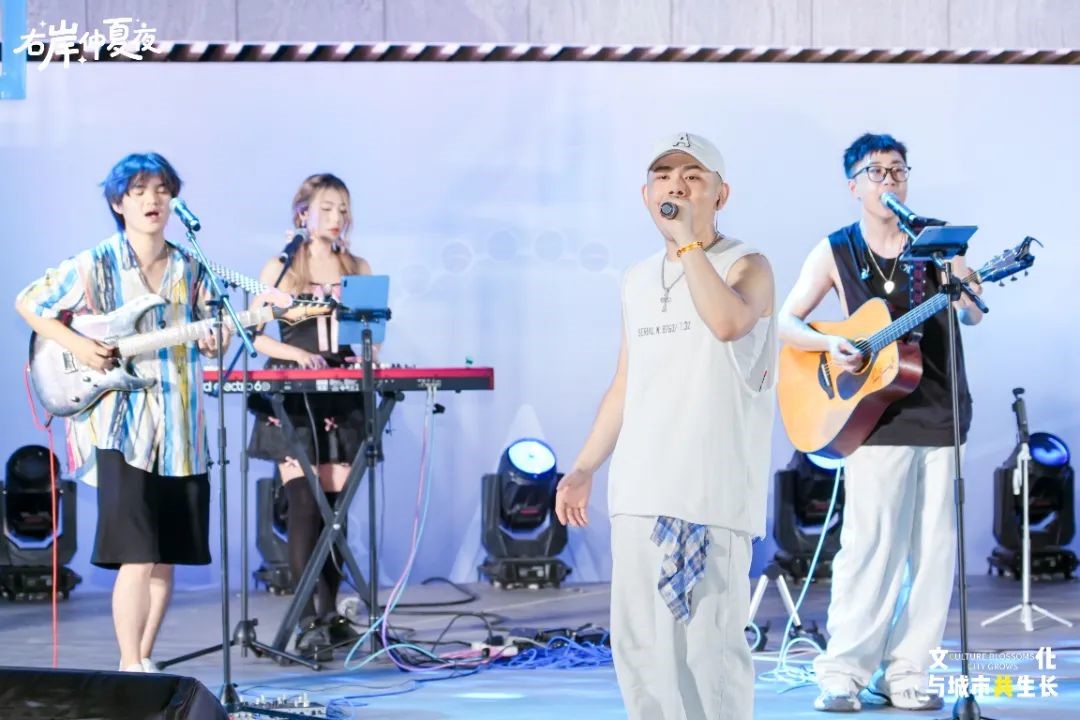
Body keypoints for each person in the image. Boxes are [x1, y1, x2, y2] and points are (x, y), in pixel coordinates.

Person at [555, 132, 777, 720]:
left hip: (709, 495)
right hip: (639, 492)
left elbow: (727, 323)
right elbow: (625, 384)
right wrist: (583, 467)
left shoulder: (747, 264)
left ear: (720, 195)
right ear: (645, 194)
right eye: (663, 176)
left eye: (692, 176)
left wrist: (688, 244)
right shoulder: (635, 278)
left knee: (707, 658)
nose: (675, 185)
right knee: (641, 657)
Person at [777, 133, 983, 712]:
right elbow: (787, 322)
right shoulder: (836, 249)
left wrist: (965, 290)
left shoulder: (937, 241)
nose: (889, 180)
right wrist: (829, 344)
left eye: (898, 170)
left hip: (940, 409)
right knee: (871, 545)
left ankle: (907, 672)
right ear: (854, 186)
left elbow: (971, 313)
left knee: (933, 552)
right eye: (876, 171)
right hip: (873, 414)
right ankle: (843, 672)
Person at [15, 153, 223, 672]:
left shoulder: (190, 266)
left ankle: (145, 658)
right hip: (122, 430)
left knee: (166, 555)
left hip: (182, 429)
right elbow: (29, 303)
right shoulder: (95, 263)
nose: (153, 200)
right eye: (139, 191)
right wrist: (80, 347)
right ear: (118, 203)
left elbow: (213, 333)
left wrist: (215, 340)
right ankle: (129, 664)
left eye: (162, 190)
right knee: (137, 552)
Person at [247, 173, 372, 659]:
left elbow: (368, 335)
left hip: (340, 396)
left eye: (343, 209)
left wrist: (367, 357)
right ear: (303, 213)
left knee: (335, 511)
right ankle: (306, 620)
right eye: (327, 208)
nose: (337, 218)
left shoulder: (357, 267)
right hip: (294, 394)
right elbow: (255, 334)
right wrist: (296, 355)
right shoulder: (281, 267)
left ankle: (330, 616)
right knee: (303, 503)